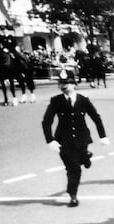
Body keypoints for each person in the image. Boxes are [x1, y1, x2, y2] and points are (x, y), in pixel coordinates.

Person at [42, 69, 110, 207]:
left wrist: (103, 136)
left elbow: (96, 118)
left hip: (82, 138)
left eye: (67, 83)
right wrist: (50, 140)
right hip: (63, 140)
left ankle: (85, 156)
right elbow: (46, 121)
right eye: (61, 83)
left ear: (74, 83)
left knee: (77, 161)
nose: (64, 86)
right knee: (73, 168)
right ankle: (73, 195)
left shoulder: (83, 100)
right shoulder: (56, 101)